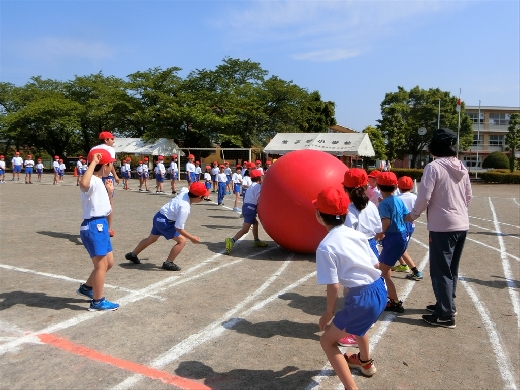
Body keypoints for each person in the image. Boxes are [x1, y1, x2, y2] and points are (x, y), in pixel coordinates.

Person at [314, 187, 386, 387]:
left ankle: (350, 387)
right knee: (360, 325)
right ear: (345, 212)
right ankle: (365, 362)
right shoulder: (357, 234)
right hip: (379, 289)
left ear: (319, 215)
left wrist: (329, 312)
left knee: (326, 341)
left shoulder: (325, 246)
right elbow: (375, 264)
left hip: (362, 298)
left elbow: (333, 283)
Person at [406, 128, 472, 329]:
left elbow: (424, 197)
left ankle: (445, 314)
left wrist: (412, 216)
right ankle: (448, 304)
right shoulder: (461, 165)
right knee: (451, 269)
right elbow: (468, 196)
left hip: (443, 226)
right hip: (461, 224)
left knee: (440, 270)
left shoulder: (433, 167)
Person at [339, 168, 383, 347]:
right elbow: (380, 231)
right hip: (371, 247)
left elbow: (347, 235)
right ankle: (363, 323)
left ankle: (355, 332)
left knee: (353, 290)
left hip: (357, 250)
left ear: (345, 189)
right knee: (364, 288)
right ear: (366, 186)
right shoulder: (372, 206)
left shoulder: (349, 210)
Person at [124, 182, 207, 271]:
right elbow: (178, 228)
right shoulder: (185, 207)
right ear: (198, 197)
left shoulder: (185, 191)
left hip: (158, 216)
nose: (203, 198)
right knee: (182, 241)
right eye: (203, 197)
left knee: (151, 239)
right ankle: (168, 262)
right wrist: (192, 238)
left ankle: (133, 254)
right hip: (165, 222)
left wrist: (198, 185)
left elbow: (189, 187)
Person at [76, 148, 119, 311]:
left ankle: (87, 288)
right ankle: (97, 301)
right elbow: (84, 183)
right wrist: (94, 162)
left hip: (101, 224)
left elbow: (108, 209)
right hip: (94, 225)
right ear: (105, 165)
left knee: (109, 263)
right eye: (110, 165)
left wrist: (110, 193)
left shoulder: (101, 183)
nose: (111, 168)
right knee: (101, 266)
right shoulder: (92, 181)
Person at [377, 172, 410, 313]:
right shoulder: (398, 200)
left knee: (380, 272)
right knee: (385, 270)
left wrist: (380, 234)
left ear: (378, 187)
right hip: (401, 236)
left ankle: (392, 301)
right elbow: (407, 217)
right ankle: (392, 299)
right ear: (396, 186)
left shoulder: (384, 203)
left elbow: (386, 222)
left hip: (392, 238)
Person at [225, 169, 268, 254]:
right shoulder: (258, 187)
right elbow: (260, 198)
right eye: (262, 176)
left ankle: (256, 240)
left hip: (245, 207)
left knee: (255, 223)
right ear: (259, 178)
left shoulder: (251, 186)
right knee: (245, 229)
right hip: (250, 208)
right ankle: (231, 240)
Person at [392, 176, 423, 281]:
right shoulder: (414, 197)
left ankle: (415, 271)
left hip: (400, 225)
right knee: (400, 248)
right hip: (411, 224)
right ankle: (407, 267)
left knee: (401, 249)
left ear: (398, 186)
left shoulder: (397, 198)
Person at [90, 131, 120, 237]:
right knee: (109, 203)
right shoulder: (110, 149)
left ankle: (95, 226)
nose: (113, 141)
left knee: (95, 201)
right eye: (112, 139)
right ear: (106, 140)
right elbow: (109, 164)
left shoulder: (93, 149)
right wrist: (115, 176)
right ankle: (108, 228)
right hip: (106, 177)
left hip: (93, 176)